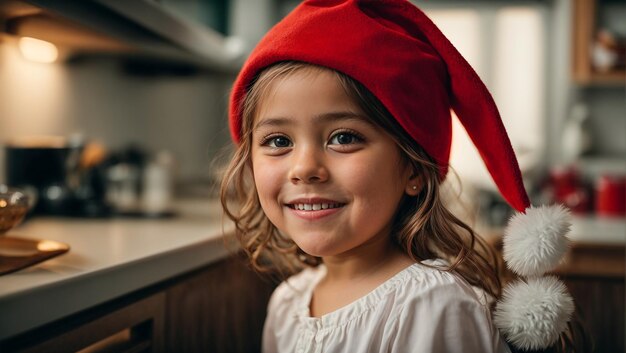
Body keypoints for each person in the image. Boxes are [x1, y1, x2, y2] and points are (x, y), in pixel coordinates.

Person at [221, 1, 575, 352]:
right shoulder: (287, 303)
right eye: (278, 141)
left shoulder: (434, 306)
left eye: (344, 137)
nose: (304, 168)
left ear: (414, 168)